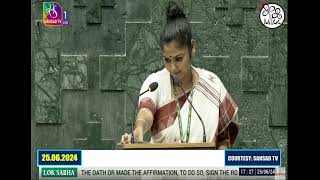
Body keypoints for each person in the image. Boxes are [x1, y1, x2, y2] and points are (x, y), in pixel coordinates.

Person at [121, 0, 239, 149]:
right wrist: (138, 130)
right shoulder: (154, 83)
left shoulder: (212, 84)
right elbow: (146, 110)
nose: (173, 67)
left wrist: (219, 160)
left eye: (178, 59)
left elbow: (226, 132)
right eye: (167, 60)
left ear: (192, 48)